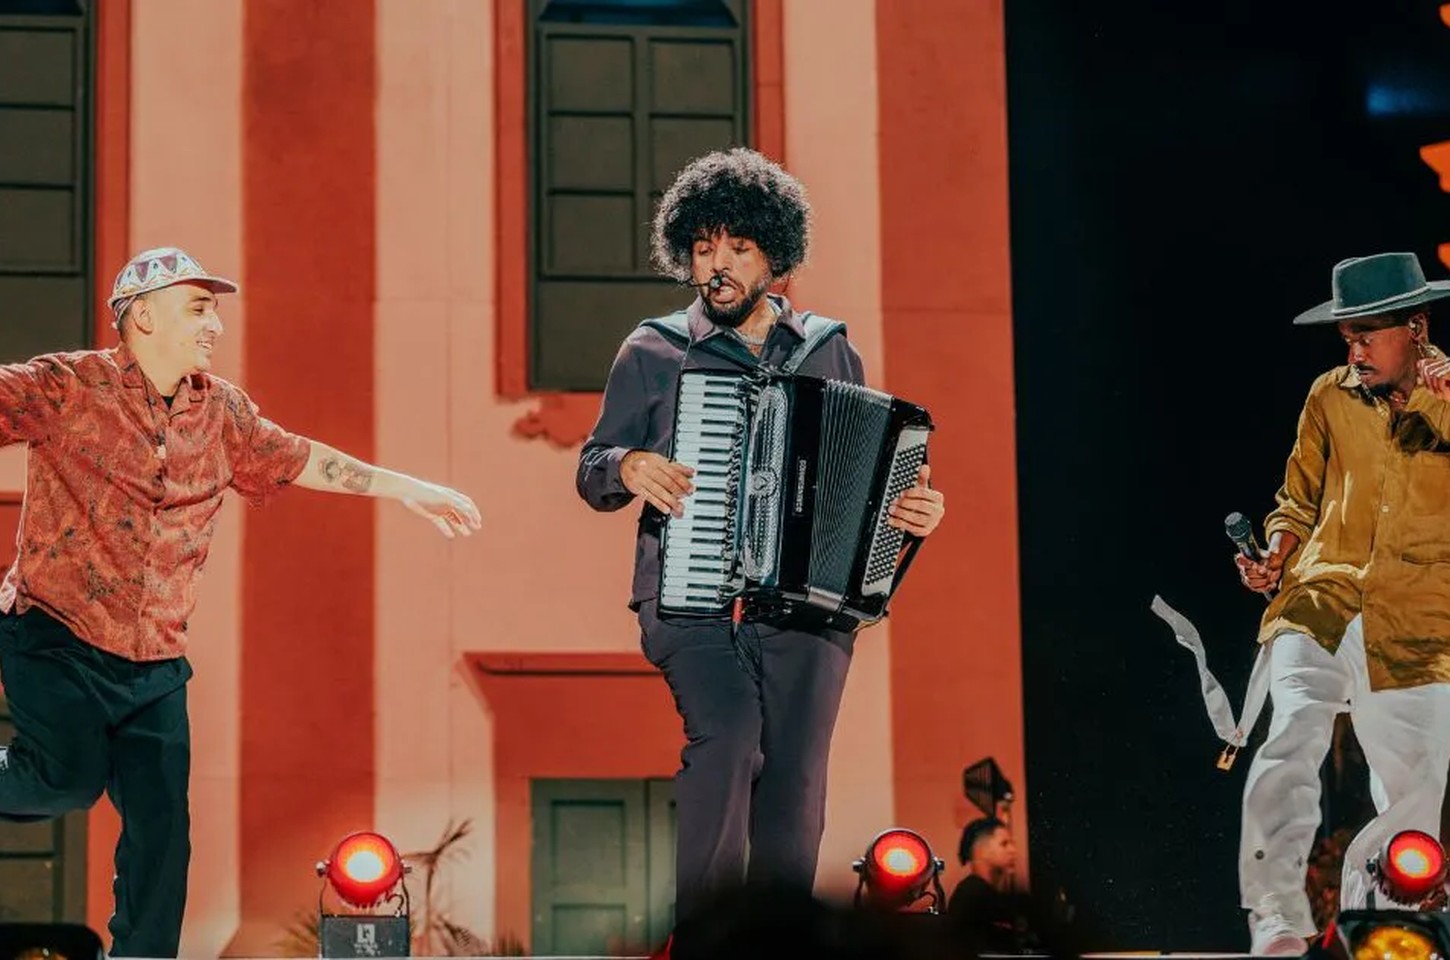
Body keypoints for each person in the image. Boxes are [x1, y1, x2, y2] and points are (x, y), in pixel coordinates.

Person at [0, 247, 481, 957]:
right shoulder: (70, 387)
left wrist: (408, 487)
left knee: (164, 833)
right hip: (57, 633)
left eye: (215, 310)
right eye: (198, 308)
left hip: (155, 659)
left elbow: (299, 457)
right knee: (66, 782)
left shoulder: (220, 412)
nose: (214, 325)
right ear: (142, 316)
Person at [576, 149, 946, 953]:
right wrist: (629, 464)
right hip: (691, 600)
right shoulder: (654, 350)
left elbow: (871, 472)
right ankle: (702, 939)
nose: (718, 264)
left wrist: (914, 508)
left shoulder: (825, 347)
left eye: (737, 248)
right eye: (704, 248)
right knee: (731, 737)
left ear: (774, 256)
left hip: (808, 608)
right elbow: (593, 468)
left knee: (797, 781)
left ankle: (779, 946)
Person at [1234, 251, 1450, 955]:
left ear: (1415, 329)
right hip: (1321, 599)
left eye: (1367, 337)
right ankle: (1276, 916)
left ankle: (1376, 918)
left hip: (1421, 622)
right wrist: (1277, 551)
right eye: (1347, 339)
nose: (1354, 352)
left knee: (1416, 790)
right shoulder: (1328, 395)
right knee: (1292, 729)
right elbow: (1296, 496)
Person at [947, 817, 1034, 955]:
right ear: (980, 850)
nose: (1013, 850)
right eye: (1004, 844)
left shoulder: (986, 894)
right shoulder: (972, 894)